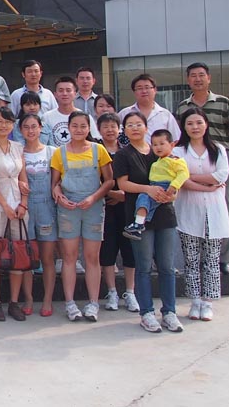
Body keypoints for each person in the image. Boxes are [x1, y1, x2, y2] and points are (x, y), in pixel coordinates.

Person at [115, 111, 184, 334]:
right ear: (124, 130)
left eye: (139, 124)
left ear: (146, 127)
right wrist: (148, 189)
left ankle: (169, 312)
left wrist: (171, 194)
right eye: (130, 125)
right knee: (143, 266)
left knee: (167, 266)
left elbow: (178, 177)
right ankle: (146, 313)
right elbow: (123, 185)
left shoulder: (160, 150)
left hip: (165, 214)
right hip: (139, 217)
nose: (135, 128)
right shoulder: (123, 155)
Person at [177, 62, 229, 275]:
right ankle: (195, 258)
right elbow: (179, 137)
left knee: (221, 209)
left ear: (209, 78)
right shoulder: (183, 106)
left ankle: (223, 258)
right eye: (193, 75)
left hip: (218, 160)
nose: (197, 79)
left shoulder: (223, 102)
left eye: (201, 75)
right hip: (189, 159)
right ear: (188, 80)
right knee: (191, 210)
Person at [51, 111, 113, 323]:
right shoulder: (59, 153)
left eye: (83, 126)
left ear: (89, 128)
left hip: (93, 207)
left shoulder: (99, 150)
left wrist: (93, 197)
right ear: (68, 127)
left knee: (92, 257)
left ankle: (93, 303)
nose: (79, 130)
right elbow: (54, 183)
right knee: (69, 257)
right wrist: (59, 196)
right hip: (68, 208)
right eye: (74, 126)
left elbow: (109, 181)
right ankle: (70, 303)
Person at [173, 108, 229, 322]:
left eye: (199, 122)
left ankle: (208, 303)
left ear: (206, 124)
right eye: (190, 123)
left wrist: (192, 177)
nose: (195, 127)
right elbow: (180, 179)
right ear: (184, 127)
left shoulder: (218, 149)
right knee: (191, 260)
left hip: (214, 212)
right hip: (188, 211)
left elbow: (221, 175)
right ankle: (195, 301)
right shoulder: (178, 152)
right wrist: (207, 184)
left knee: (212, 259)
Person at [0, 107, 30, 322]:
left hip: (19, 208)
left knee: (18, 255)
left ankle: (14, 302)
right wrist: (5, 206)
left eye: (8, 122)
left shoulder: (18, 147)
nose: (4, 125)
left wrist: (23, 204)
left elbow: (23, 178)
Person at [96, 112, 139, 314]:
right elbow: (90, 179)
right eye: (105, 127)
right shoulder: (95, 150)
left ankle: (130, 292)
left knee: (129, 249)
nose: (109, 130)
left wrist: (124, 196)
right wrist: (111, 193)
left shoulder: (129, 150)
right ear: (99, 129)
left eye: (113, 126)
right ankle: (112, 291)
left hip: (128, 207)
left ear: (119, 129)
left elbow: (139, 178)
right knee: (108, 250)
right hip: (104, 207)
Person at [123, 129, 189, 240]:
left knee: (144, 198)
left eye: (162, 144)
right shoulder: (157, 161)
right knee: (146, 202)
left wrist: (174, 186)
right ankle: (139, 224)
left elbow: (184, 174)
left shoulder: (175, 160)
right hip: (154, 185)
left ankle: (138, 224)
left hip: (165, 185)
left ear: (172, 145)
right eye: (155, 145)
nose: (158, 147)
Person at [20, 113, 55, 316]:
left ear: (41, 128)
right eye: (26, 127)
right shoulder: (17, 152)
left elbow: (58, 181)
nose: (31, 131)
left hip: (47, 208)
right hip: (26, 208)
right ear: (20, 130)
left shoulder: (52, 152)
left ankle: (47, 300)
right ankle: (29, 298)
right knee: (27, 258)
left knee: (48, 257)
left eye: (34, 126)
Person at [119, 74, 181, 141]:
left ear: (155, 90)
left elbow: (176, 139)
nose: (144, 91)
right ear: (134, 92)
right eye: (139, 88)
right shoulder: (124, 114)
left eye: (147, 87)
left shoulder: (166, 115)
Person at [43, 76, 99, 147]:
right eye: (61, 90)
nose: (65, 93)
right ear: (55, 94)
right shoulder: (47, 117)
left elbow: (95, 141)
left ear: (75, 93)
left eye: (68, 90)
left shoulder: (85, 117)